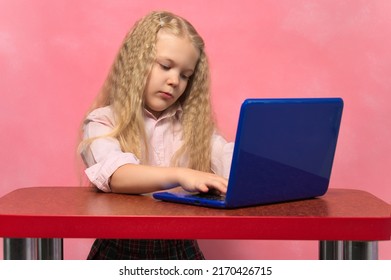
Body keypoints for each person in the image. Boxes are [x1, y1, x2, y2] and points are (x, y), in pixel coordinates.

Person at [78, 10, 234, 260]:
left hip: (181, 253)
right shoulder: (103, 121)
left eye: (185, 75)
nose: (175, 81)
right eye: (165, 66)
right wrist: (181, 174)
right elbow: (117, 175)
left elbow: (230, 160)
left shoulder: (192, 126)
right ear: (136, 62)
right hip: (117, 254)